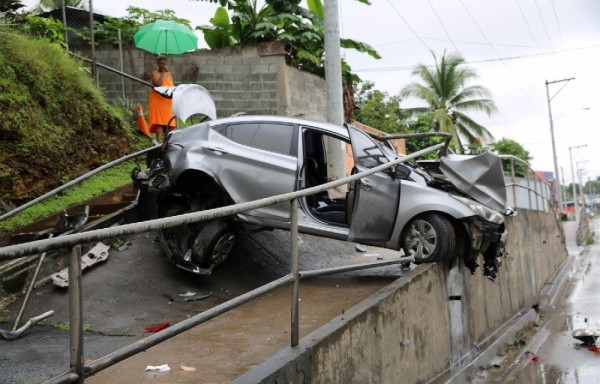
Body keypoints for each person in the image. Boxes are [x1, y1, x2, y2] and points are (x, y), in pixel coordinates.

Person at [148, 55, 175, 142]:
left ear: (167, 64)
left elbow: (171, 86)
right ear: (157, 64)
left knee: (169, 122)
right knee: (159, 121)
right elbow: (158, 84)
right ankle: (158, 142)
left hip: (167, 100)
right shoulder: (154, 73)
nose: (162, 65)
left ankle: (167, 142)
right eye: (160, 63)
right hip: (158, 99)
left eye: (164, 63)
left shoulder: (169, 74)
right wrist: (163, 72)